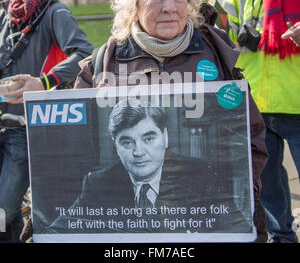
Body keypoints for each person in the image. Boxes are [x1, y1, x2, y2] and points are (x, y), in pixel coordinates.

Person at [73, 0, 269, 242]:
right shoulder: (102, 65)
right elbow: (72, 153)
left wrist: (242, 198)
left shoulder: (217, 57)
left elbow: (250, 139)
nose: (169, 6)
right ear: (134, 5)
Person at [0, 0, 93, 242]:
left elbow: (84, 53)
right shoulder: (5, 15)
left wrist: (45, 81)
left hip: (26, 130)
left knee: (2, 209)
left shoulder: (56, 13)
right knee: (6, 215)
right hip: (2, 125)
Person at [48, 99, 252, 235]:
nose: (138, 152)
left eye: (148, 138)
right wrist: (38, 230)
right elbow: (59, 229)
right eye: (127, 142)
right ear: (115, 145)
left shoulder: (202, 174)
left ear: (165, 137)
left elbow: (238, 228)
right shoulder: (98, 184)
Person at [215, 0, 300, 243]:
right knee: (268, 185)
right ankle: (282, 238)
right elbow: (217, 24)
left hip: (297, 98)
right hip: (258, 101)